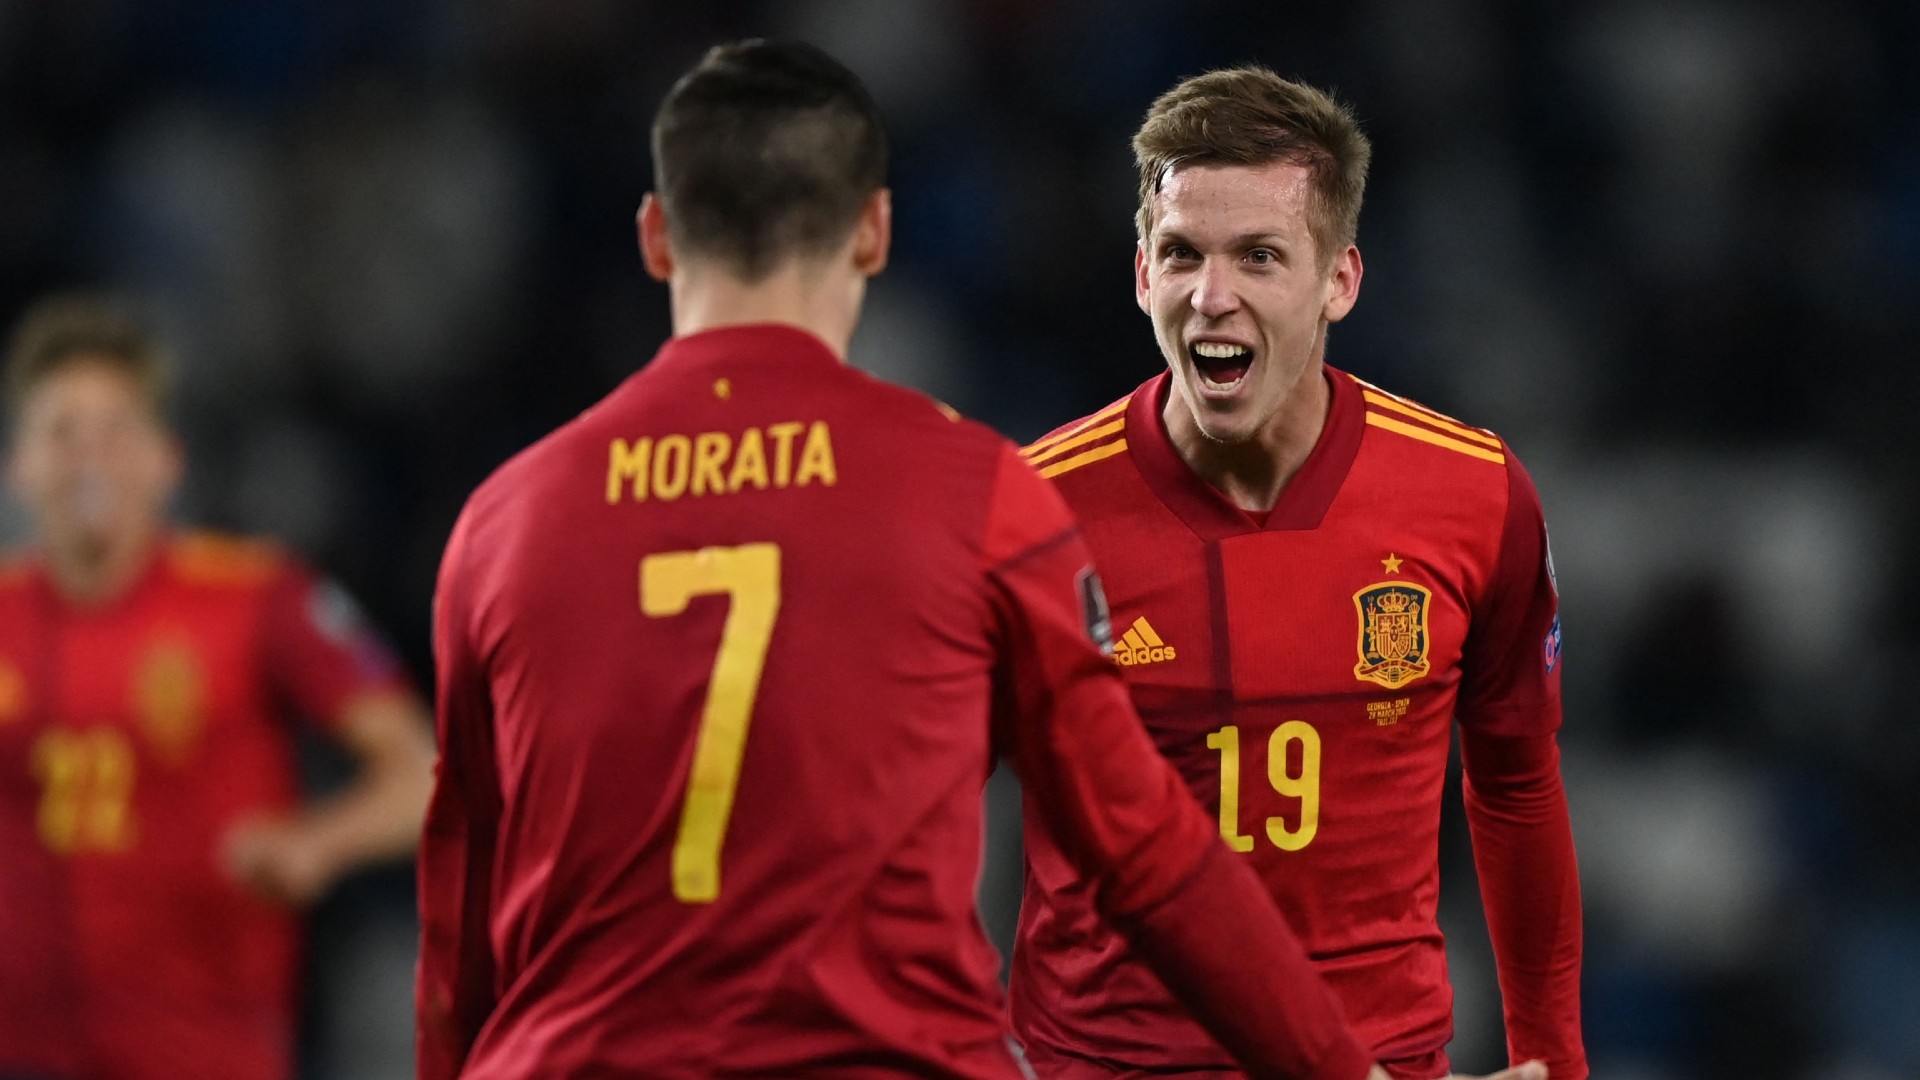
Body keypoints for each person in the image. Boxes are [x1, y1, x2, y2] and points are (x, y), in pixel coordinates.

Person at [417, 40, 1549, 1080]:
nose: (1217, 294)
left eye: (1258, 255)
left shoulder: (504, 522)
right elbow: (1141, 848)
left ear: (657, 235)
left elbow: (460, 896)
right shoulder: (966, 492)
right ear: (874, 232)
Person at [1010, 68, 1585, 1080]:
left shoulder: (1474, 493)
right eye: (1182, 254)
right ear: (1142, 274)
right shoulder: (1028, 515)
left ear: (1339, 282)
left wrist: (1553, 1059)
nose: (1212, 296)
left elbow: (1517, 785)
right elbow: (909, 816)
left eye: (1259, 256)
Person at [0, 295, 438, 1080]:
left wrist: (315, 843)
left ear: (166, 460)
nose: (89, 457)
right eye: (62, 433)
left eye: (115, 431)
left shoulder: (255, 598)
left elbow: (420, 772)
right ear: (20, 467)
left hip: (204, 1055)